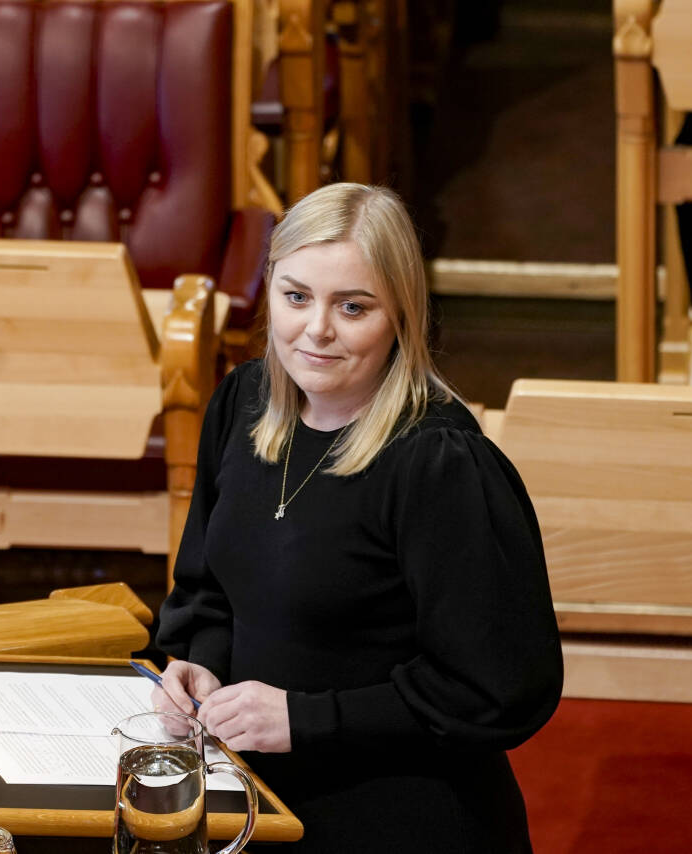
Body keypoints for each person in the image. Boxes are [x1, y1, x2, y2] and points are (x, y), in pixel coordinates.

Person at [152, 183, 563, 852]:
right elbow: (207, 591)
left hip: (403, 813)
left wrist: (305, 719)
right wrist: (201, 668)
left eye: (353, 307)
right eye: (296, 296)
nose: (316, 329)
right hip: (257, 796)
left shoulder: (438, 463)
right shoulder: (243, 404)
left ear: (401, 316)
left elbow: (501, 688)